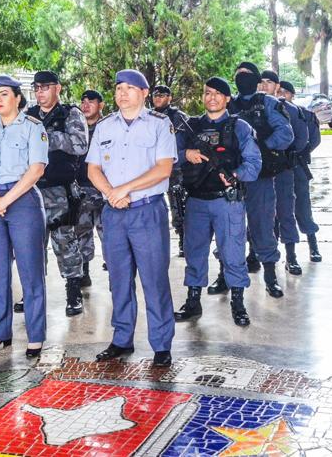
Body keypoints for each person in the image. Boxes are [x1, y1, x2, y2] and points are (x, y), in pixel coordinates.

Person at [86, 69, 177, 367]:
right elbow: (93, 170)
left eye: (129, 88)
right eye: (118, 88)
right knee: (119, 280)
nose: (122, 93)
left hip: (147, 211)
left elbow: (163, 169)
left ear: (144, 93)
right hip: (114, 214)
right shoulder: (105, 127)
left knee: (154, 279)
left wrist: (123, 189)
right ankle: (122, 339)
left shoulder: (160, 125)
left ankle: (161, 344)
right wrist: (112, 194)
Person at [0, 75, 49, 358]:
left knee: (31, 272)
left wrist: (4, 200)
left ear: (18, 97)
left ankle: (35, 336)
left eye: (4, 93)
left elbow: (36, 170)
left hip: (23, 202)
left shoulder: (33, 128)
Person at [174, 77, 261, 326]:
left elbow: (254, 165)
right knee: (194, 253)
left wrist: (234, 175)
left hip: (227, 201)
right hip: (196, 202)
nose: (212, 97)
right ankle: (193, 301)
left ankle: (238, 302)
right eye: (208, 93)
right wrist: (185, 154)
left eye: (217, 94)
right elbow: (166, 157)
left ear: (227, 99)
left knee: (233, 253)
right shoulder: (190, 127)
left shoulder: (239, 127)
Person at [24, 70, 89, 317]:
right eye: (37, 88)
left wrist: (46, 138)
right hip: (32, 190)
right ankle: (32, 292)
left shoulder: (70, 114)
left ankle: (73, 291)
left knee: (65, 242)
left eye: (45, 87)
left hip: (60, 190)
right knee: (31, 245)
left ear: (57, 89)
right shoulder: (28, 116)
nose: (40, 93)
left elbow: (80, 145)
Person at [229, 62, 294, 298]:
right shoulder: (228, 103)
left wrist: (259, 148)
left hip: (260, 175)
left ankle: (270, 277)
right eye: (238, 75)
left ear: (256, 80)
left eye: (246, 75)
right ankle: (226, 276)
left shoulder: (268, 103)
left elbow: (286, 134)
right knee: (229, 228)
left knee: (263, 225)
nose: (241, 78)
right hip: (232, 176)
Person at [260, 70, 308, 275]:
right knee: (258, 215)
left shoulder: (290, 109)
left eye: (268, 82)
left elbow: (301, 140)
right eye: (260, 82)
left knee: (286, 212)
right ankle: (255, 255)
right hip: (259, 171)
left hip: (283, 169)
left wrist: (275, 151)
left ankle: (291, 256)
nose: (263, 86)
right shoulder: (254, 107)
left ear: (277, 86)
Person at [279, 81, 323, 262]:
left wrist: (299, 153)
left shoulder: (304, 114)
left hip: (298, 168)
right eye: (279, 91)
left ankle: (313, 245)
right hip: (278, 170)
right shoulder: (271, 113)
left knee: (303, 209)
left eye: (285, 92)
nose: (281, 95)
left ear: (292, 95)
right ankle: (290, 255)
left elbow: (314, 140)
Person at [152, 84, 190, 258]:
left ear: (169, 97)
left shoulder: (179, 117)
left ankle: (184, 240)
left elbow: (189, 140)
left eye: (162, 95)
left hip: (176, 169)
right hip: (153, 169)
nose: (158, 98)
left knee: (179, 207)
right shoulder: (149, 116)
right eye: (155, 95)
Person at [76, 89, 106, 286]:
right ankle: (83, 272)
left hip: (106, 189)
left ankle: (117, 271)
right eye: (83, 101)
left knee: (109, 233)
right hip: (81, 189)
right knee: (81, 231)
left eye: (91, 101)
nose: (86, 105)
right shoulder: (76, 127)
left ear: (100, 105)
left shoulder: (109, 126)